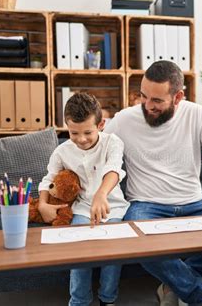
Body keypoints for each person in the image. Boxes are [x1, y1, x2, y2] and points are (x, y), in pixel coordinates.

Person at [104, 60, 202, 305]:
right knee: (135, 241)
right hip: (146, 204)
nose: (147, 106)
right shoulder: (125, 120)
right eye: (143, 96)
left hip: (194, 202)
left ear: (178, 97)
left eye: (157, 101)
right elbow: (94, 150)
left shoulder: (196, 114)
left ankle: (173, 284)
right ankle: (201, 296)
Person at [38, 92, 129, 306]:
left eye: (87, 132)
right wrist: (42, 204)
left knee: (114, 252)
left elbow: (114, 169)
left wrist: (101, 194)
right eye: (74, 133)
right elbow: (48, 178)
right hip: (82, 209)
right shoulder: (62, 151)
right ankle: (79, 301)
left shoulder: (113, 143)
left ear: (101, 125)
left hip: (113, 208)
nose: (81, 139)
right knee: (78, 251)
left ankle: (108, 299)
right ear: (66, 127)